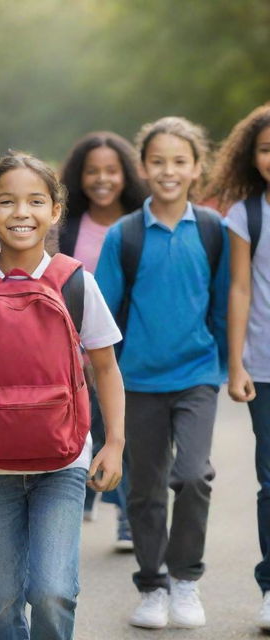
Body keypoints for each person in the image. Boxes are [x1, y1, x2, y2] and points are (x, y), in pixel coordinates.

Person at [0, 153, 125, 640]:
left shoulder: (76, 281)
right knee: (2, 597)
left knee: (54, 592)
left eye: (36, 201)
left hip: (63, 461)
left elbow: (105, 366)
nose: (22, 212)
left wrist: (115, 442)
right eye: (7, 202)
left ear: (55, 210)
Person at [95, 117, 229, 630]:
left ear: (197, 167)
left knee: (193, 476)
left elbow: (221, 307)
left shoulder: (213, 230)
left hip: (196, 376)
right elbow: (102, 317)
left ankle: (186, 579)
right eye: (158, 161)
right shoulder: (123, 235)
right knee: (145, 488)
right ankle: (152, 585)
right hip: (138, 384)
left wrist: (223, 367)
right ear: (143, 167)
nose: (168, 171)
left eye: (179, 161)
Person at [60, 131, 148, 549]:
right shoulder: (67, 228)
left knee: (124, 425)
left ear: (126, 174)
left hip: (137, 339)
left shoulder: (141, 220)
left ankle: (128, 516)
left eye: (111, 170)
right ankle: (89, 489)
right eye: (92, 171)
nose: (101, 179)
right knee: (87, 420)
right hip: (80, 344)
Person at [204, 103, 270, 631]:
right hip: (264, 366)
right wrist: (236, 364)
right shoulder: (246, 214)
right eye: (266, 149)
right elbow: (240, 289)